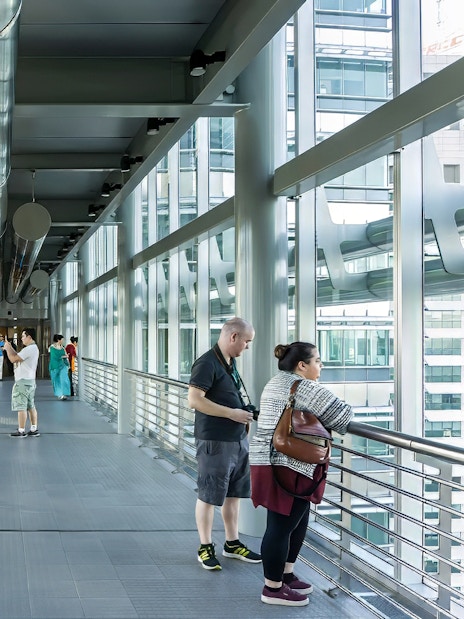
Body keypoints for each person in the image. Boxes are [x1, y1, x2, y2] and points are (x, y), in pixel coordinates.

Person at [249, 341, 353, 607]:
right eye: (317, 361)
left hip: (271, 460)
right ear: (302, 365)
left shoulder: (276, 381)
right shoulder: (304, 386)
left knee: (295, 521)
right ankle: (272, 588)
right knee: (282, 526)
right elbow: (342, 417)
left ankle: (286, 575)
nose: (321, 365)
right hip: (290, 464)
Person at [188, 317, 262, 571]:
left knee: (234, 495)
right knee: (209, 496)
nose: (247, 347)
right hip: (215, 441)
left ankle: (232, 543)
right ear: (234, 337)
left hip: (237, 439)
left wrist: (242, 412)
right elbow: (195, 400)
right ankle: (205, 547)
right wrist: (232, 414)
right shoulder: (207, 363)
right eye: (247, 342)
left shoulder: (229, 362)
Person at [4, 328, 41, 437]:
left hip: (22, 382)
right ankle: (33, 429)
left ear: (29, 337)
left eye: (23, 336)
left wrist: (7, 349)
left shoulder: (29, 349)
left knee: (21, 407)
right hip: (30, 381)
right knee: (31, 406)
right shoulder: (33, 348)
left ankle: (21, 430)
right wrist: (10, 347)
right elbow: (18, 356)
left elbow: (13, 359)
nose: (21, 339)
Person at [49, 334, 71, 400]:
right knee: (56, 380)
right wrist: (64, 356)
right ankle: (60, 394)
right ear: (58, 340)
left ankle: (64, 393)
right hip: (54, 366)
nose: (63, 341)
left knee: (64, 379)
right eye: (62, 339)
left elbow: (66, 356)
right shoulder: (52, 347)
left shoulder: (63, 348)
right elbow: (54, 356)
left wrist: (67, 364)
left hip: (62, 365)